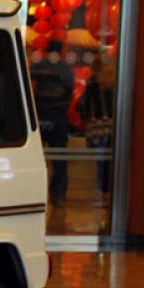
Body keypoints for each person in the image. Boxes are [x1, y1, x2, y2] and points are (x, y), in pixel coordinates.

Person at [29, 41, 75, 207]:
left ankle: (34, 194)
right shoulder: (64, 68)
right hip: (58, 117)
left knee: (34, 159)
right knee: (59, 158)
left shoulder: (37, 66)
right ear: (62, 50)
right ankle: (58, 195)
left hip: (39, 116)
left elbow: (27, 84)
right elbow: (71, 87)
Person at [77, 52, 116, 199]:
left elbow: (83, 105)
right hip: (113, 126)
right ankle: (110, 191)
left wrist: (87, 117)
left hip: (98, 128)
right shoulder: (115, 82)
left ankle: (103, 192)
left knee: (101, 162)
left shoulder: (92, 83)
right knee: (112, 161)